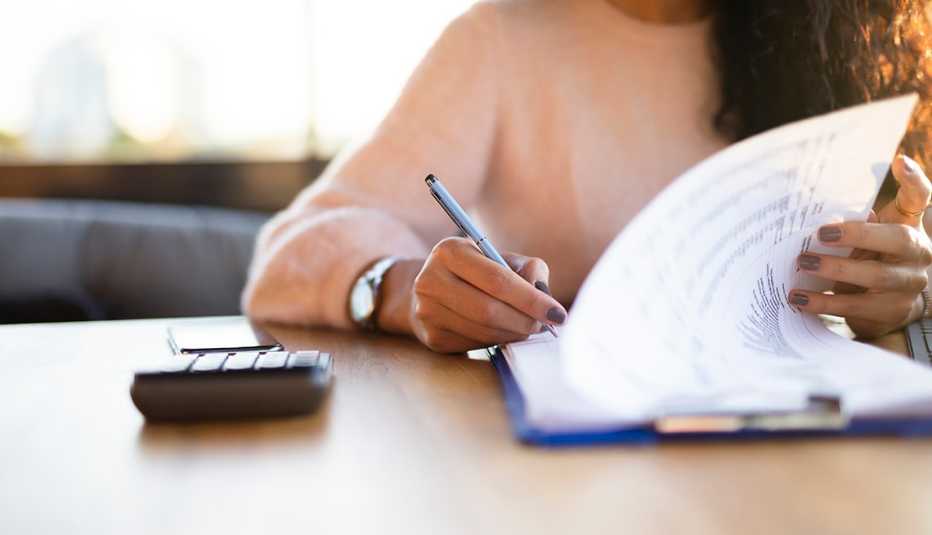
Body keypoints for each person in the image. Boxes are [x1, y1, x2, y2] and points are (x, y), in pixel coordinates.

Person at [243, 0, 932, 352]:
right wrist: (396, 290)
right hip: (574, 459)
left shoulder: (848, 44)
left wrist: (912, 290)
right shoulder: (502, 39)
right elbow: (289, 252)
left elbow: (905, 253)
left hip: (811, 450)